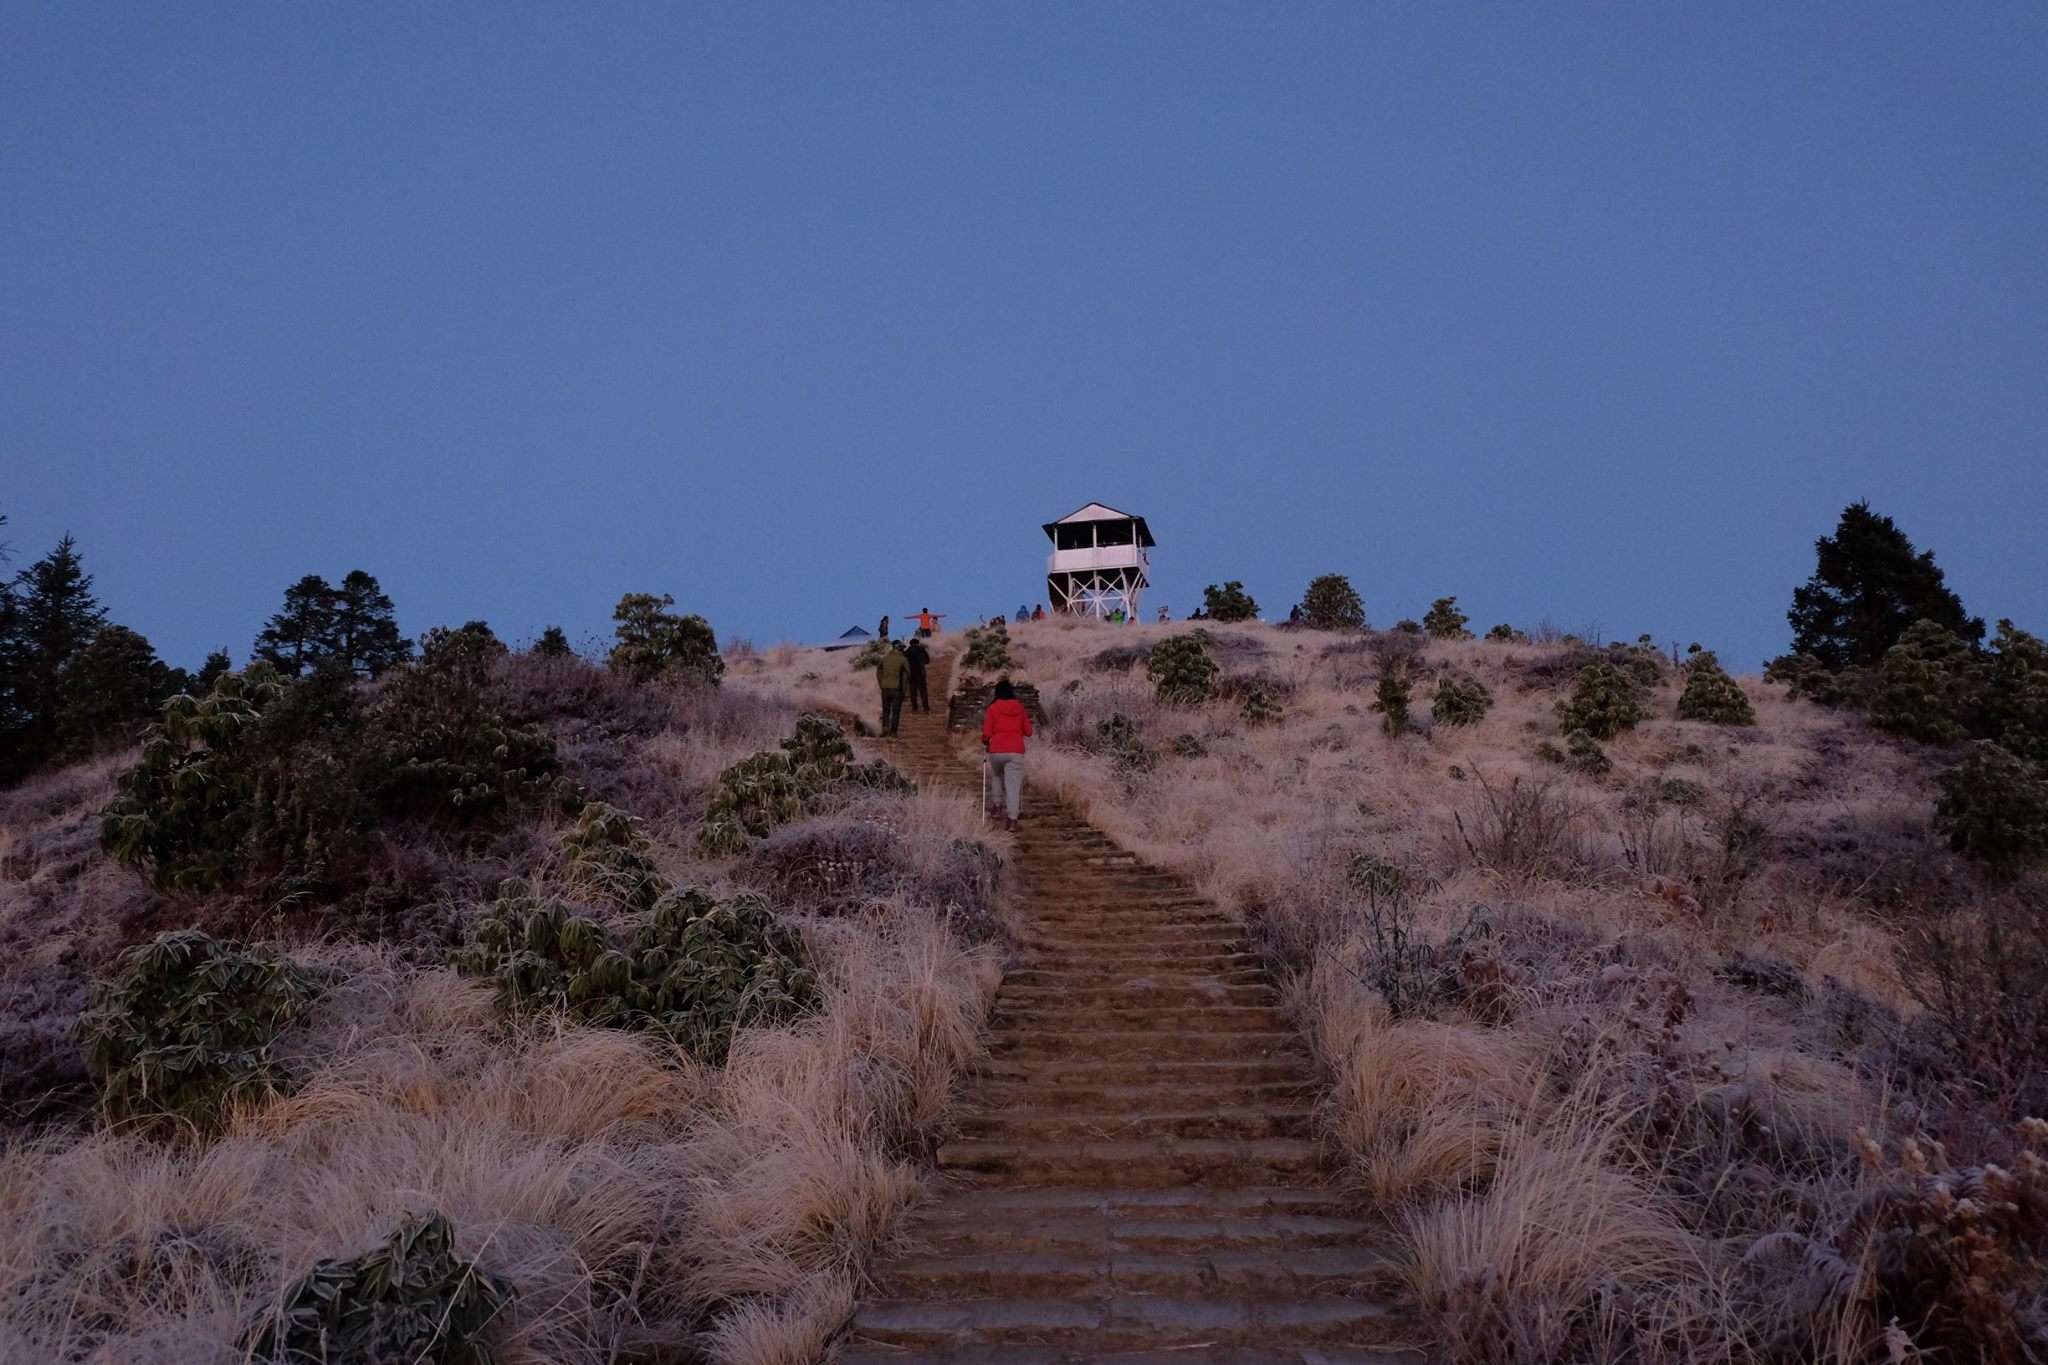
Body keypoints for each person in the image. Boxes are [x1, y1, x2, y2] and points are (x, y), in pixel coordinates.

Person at [981, 677, 1033, 833]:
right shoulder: (1020, 708)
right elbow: (1029, 732)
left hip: (996, 749)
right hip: (1015, 751)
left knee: (997, 776)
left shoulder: (992, 708)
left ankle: (996, 807)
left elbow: (986, 733)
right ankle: (1012, 820)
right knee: (1013, 785)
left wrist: (985, 741)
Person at [875, 640, 910, 736]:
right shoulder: (903, 659)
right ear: (900, 648)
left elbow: (878, 671)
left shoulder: (885, 658)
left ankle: (885, 729)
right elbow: (908, 674)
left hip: (885, 688)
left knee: (886, 710)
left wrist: (881, 683)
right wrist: (905, 691)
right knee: (896, 711)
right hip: (896, 688)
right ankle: (893, 732)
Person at [905, 635, 931, 713]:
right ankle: (926, 708)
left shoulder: (907, 651)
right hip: (921, 673)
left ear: (910, 644)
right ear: (917, 643)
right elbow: (927, 660)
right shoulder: (921, 650)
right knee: (923, 691)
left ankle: (914, 708)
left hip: (911, 674)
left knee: (913, 692)